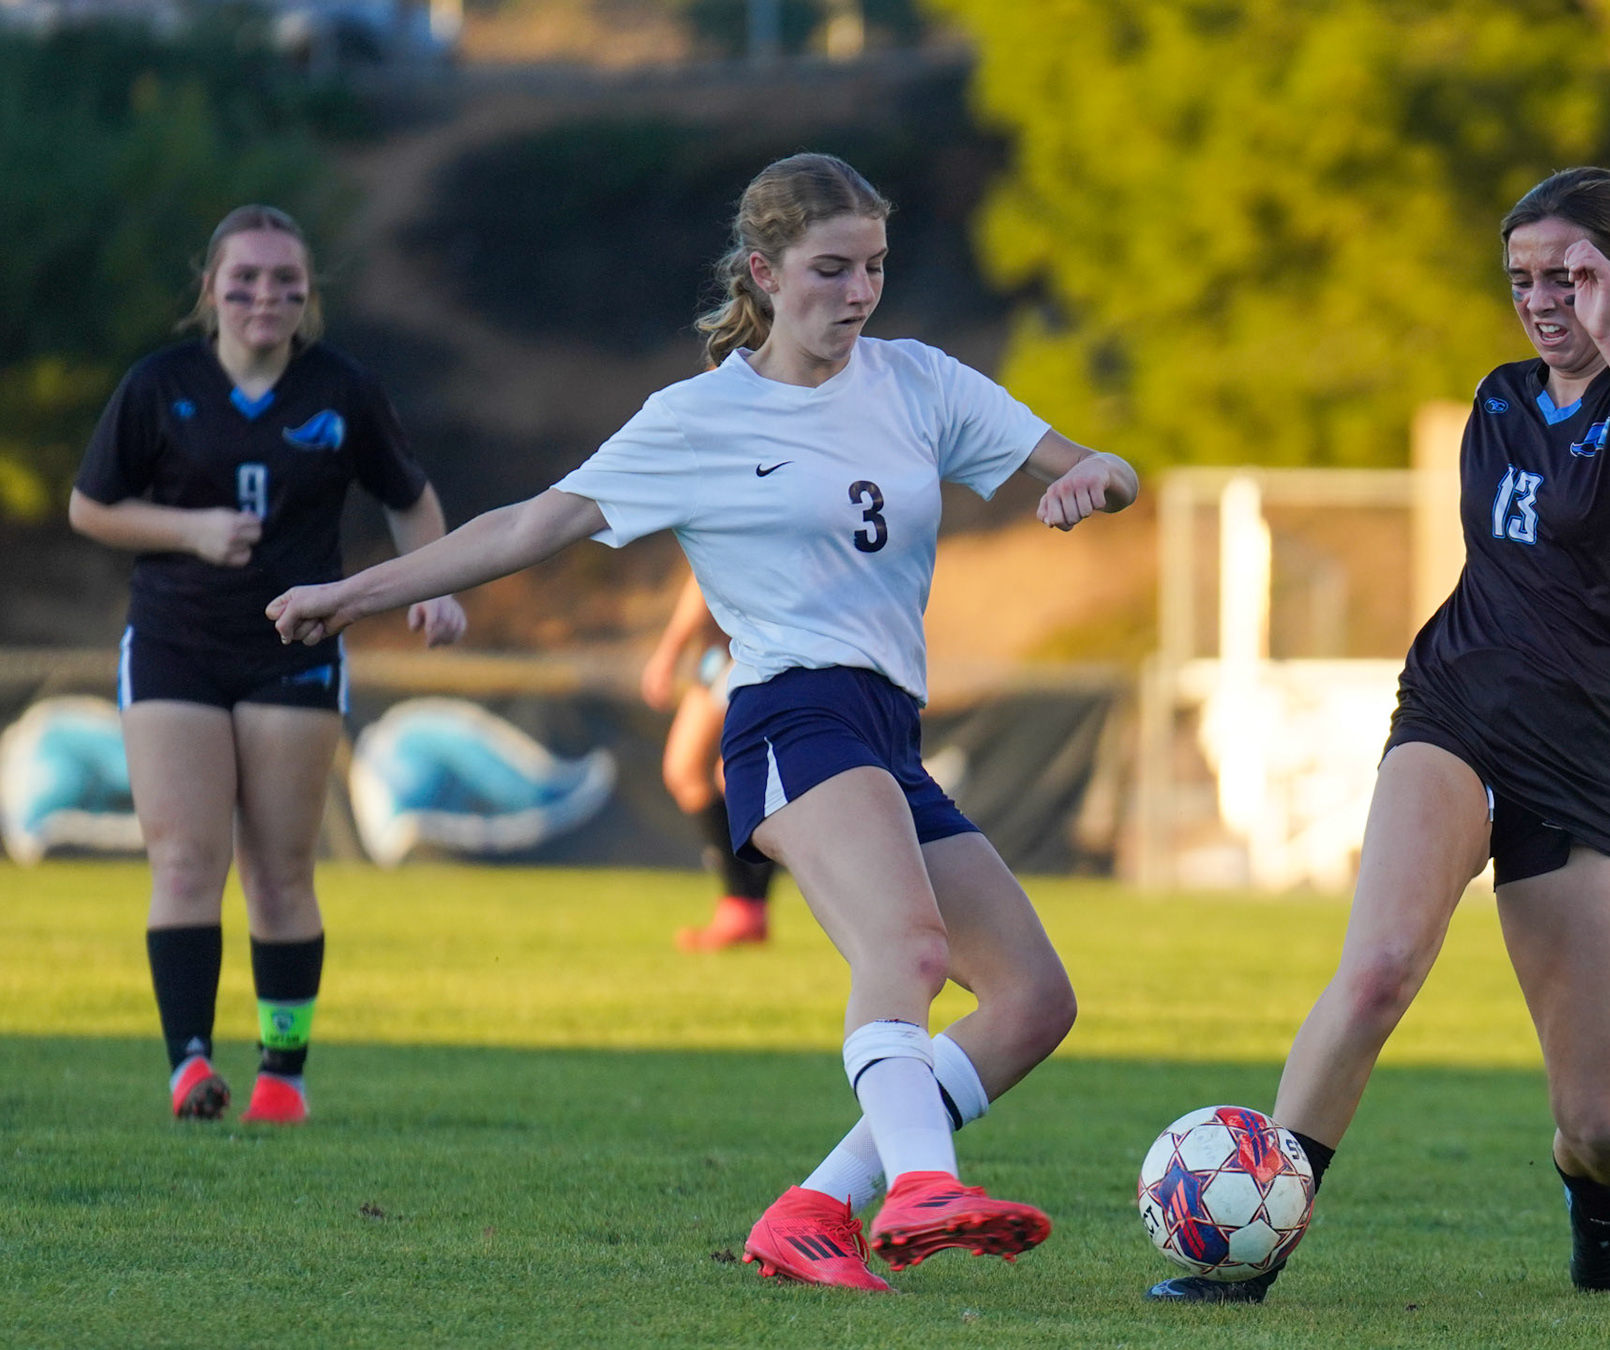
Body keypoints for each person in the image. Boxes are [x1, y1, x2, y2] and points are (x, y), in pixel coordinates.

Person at [268, 153, 1139, 1287]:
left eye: (876, 266)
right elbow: (529, 525)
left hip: (889, 727)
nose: (860, 293)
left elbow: (1104, 464)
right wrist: (352, 593)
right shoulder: (699, 419)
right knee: (910, 949)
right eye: (832, 269)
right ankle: (924, 1184)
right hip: (789, 714)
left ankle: (815, 1210)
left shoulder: (919, 382)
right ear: (764, 273)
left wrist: (1094, 480)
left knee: (1031, 1001)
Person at [1150, 167, 1610, 1303]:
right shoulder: (1500, 398)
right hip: (1456, 711)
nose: (1543, 300)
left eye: (1570, 275)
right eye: (1523, 278)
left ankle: (1604, 1218)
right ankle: (1249, 1249)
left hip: (1586, 757)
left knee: (1599, 1124)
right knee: (1377, 970)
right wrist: (1590, 338)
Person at [69, 205, 466, 1125]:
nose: (264, 295)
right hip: (175, 642)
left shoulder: (342, 390)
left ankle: (283, 1078)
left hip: (296, 647)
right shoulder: (159, 385)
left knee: (280, 870)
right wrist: (189, 530)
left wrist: (434, 583)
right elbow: (92, 507)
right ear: (210, 288)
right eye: (244, 278)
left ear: (308, 293)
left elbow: (410, 499)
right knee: (183, 860)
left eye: (285, 280)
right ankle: (190, 1067)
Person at [639, 571, 777, 952]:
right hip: (729, 648)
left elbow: (702, 576)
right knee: (731, 777)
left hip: (745, 645)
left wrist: (668, 652)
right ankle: (747, 906)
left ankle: (744, 906)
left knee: (695, 770)